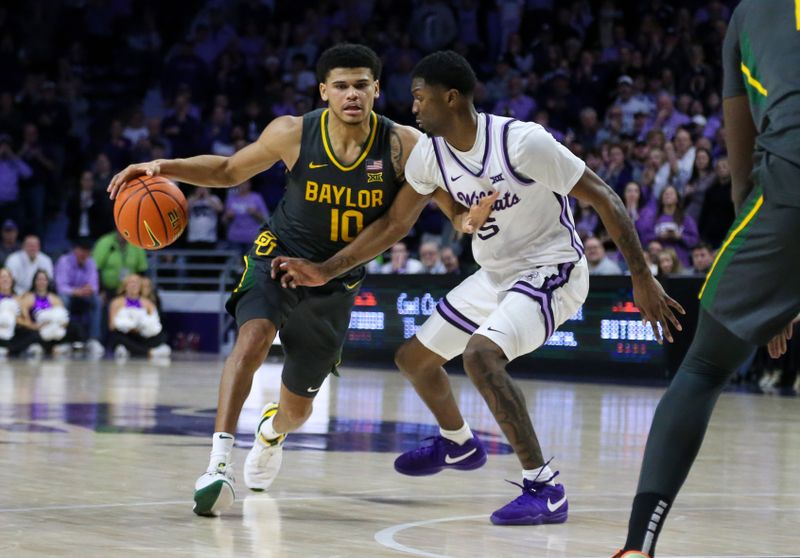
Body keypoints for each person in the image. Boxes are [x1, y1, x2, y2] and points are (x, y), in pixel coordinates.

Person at [271, 50, 682, 527]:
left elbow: (606, 197)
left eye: (421, 99)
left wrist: (641, 275)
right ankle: (459, 443)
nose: (414, 109)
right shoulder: (430, 155)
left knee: (481, 356)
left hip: (552, 269)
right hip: (495, 275)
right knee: (414, 359)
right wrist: (326, 268)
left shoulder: (522, 142)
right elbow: (394, 225)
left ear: (451, 98)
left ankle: (545, 487)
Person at [107, 44, 441, 517]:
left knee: (298, 411)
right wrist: (163, 167)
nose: (352, 94)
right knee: (252, 339)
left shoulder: (402, 145)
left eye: (361, 85)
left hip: (335, 281)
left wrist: (469, 218)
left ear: (377, 89)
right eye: (341, 85)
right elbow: (226, 170)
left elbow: (396, 226)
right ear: (324, 91)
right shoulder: (293, 132)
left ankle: (271, 432)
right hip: (277, 258)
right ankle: (218, 465)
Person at [614, 2, 800, 556]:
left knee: (704, 365)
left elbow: (740, 135)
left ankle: (637, 549)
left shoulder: (750, 13)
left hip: (788, 186)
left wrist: (767, 263)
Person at [54, 238, 104, 357]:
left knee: (96, 300)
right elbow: (61, 287)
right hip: (69, 296)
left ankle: (94, 339)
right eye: (82, 250)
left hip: (83, 296)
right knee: (63, 299)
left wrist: (88, 290)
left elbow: (94, 287)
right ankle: (63, 339)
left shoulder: (91, 262)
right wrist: (76, 291)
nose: (84, 254)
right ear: (75, 250)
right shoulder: (64, 261)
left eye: (87, 251)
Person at [108, 273, 170, 360]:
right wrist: (129, 326)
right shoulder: (116, 302)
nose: (133, 285)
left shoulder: (148, 303)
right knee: (117, 338)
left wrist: (141, 328)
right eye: (131, 282)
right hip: (126, 334)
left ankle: (132, 350)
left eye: (136, 283)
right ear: (125, 286)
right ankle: (149, 352)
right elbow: (112, 326)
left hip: (142, 335)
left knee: (161, 337)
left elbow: (154, 324)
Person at [19, 270, 73, 357]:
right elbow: (23, 320)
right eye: (39, 279)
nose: (41, 282)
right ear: (34, 281)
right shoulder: (28, 298)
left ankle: (53, 346)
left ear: (48, 282)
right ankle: (42, 346)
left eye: (44, 279)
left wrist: (59, 325)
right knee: (26, 333)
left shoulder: (55, 299)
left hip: (51, 330)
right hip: (36, 330)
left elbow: (64, 320)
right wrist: (34, 326)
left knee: (71, 328)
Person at [92, 230, 148, 298]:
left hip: (130, 289)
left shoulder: (136, 243)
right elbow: (96, 268)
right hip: (108, 290)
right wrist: (101, 290)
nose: (123, 235)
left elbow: (142, 270)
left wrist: (139, 290)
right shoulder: (104, 242)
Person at [0, 267, 41, 357]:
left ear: (12, 280)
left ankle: (9, 350)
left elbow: (26, 321)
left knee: (32, 334)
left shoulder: (18, 299)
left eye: (7, 277)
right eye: (2, 277)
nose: (5, 280)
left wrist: (15, 320)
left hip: (13, 332)